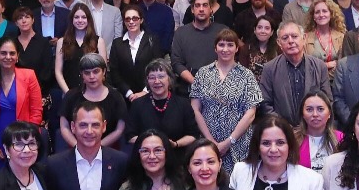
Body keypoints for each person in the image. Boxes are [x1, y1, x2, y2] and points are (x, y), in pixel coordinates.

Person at [191, 29, 264, 172]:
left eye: (230, 45)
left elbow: (250, 113)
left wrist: (229, 141)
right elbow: (195, 109)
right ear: (215, 48)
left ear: (237, 48)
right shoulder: (203, 73)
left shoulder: (246, 75)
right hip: (207, 143)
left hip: (238, 144)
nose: (225, 49)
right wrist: (210, 141)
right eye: (221, 45)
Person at [0, 37, 44, 174]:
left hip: (24, 138)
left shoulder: (29, 75)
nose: (8, 57)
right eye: (3, 53)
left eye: (12, 53)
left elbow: (36, 112)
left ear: (18, 56)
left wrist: (27, 144)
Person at [258, 22, 332, 125]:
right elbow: (265, 104)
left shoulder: (319, 66)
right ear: (279, 43)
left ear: (304, 38)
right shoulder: (269, 69)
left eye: (294, 36)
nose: (290, 41)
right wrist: (284, 127)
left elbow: (327, 101)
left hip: (313, 128)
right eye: (285, 38)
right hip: (283, 131)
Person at [125, 59, 201, 149]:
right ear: (147, 81)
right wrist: (152, 145)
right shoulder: (137, 104)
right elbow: (129, 136)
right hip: (146, 156)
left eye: (161, 76)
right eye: (152, 77)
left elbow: (193, 134)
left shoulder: (183, 104)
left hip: (176, 155)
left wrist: (176, 144)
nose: (157, 81)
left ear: (170, 79)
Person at [60, 54, 128, 151]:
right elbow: (64, 127)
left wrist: (97, 148)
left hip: (108, 150)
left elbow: (119, 129)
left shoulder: (116, 97)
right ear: (82, 74)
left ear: (104, 71)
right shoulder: (71, 96)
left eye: (96, 71)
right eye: (87, 73)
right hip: (75, 150)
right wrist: (79, 148)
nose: (91, 76)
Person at [54, 3, 105, 96]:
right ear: (72, 20)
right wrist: (68, 93)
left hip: (93, 94)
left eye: (83, 17)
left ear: (88, 20)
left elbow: (102, 71)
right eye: (76, 17)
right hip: (68, 93)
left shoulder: (99, 41)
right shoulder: (61, 42)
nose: (80, 20)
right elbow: (58, 71)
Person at [295, 90, 339, 171]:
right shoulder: (293, 140)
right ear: (303, 114)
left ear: (329, 113)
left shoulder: (341, 138)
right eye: (309, 109)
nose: (315, 114)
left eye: (320, 109)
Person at [303, 0, 346, 74]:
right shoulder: (305, 38)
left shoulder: (341, 36)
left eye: (325, 11)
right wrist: (326, 65)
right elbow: (305, 65)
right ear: (313, 16)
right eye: (317, 12)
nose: (321, 15)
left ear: (331, 14)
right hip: (314, 81)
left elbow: (343, 65)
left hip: (337, 81)